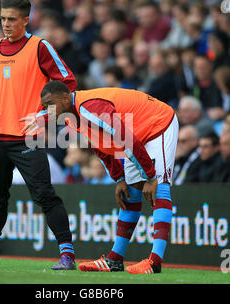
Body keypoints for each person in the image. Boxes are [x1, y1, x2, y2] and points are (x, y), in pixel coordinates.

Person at [0, 0, 77, 270]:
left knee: (45, 195)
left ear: (26, 19)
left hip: (29, 139)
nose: (6, 24)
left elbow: (68, 84)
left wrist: (46, 115)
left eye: (12, 19)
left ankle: (67, 254)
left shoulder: (40, 47)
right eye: (2, 19)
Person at [36, 80, 179, 275]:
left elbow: (125, 138)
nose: (48, 111)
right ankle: (115, 259)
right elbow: (100, 145)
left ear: (65, 97)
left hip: (157, 123)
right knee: (130, 195)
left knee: (159, 188)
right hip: (136, 133)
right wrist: (119, 178)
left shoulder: (91, 108)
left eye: (49, 105)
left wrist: (151, 176)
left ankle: (155, 261)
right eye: (45, 108)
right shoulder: (71, 116)